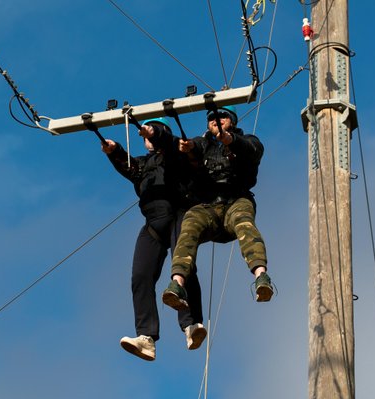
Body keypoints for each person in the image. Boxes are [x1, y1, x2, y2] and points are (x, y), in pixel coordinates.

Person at [101, 117, 207, 362]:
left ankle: (191, 324)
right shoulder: (143, 165)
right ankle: (146, 337)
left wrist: (155, 130)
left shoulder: (177, 157)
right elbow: (129, 166)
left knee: (183, 267)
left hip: (179, 216)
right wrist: (114, 150)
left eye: (151, 135)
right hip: (152, 225)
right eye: (146, 135)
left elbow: (170, 148)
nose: (147, 139)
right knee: (140, 276)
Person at [162, 105, 275, 311]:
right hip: (208, 206)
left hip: (236, 200)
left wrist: (231, 141)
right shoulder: (201, 143)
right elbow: (191, 147)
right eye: (213, 118)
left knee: (244, 223)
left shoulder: (248, 141)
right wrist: (185, 150)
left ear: (232, 120)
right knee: (188, 227)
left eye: (223, 116)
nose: (217, 120)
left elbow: (253, 150)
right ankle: (177, 283)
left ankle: (261, 276)